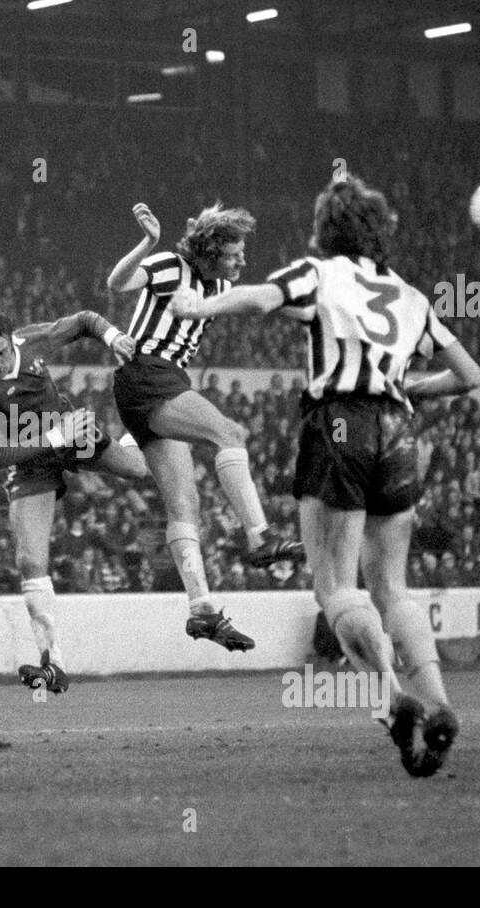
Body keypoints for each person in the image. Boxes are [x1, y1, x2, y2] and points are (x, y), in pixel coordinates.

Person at [170, 174, 480, 777]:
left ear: (325, 231)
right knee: (393, 587)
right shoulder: (411, 296)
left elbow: (260, 297)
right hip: (400, 428)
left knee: (336, 586)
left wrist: (201, 303)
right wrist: (413, 386)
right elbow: (469, 376)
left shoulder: (319, 273)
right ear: (379, 231)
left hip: (339, 422)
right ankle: (440, 701)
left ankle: (393, 696)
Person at [106, 202, 303, 653]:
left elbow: (258, 301)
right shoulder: (168, 265)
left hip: (157, 382)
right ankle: (261, 537)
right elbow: (116, 284)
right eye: (233, 254)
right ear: (211, 252)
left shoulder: (220, 283)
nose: (241, 261)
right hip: (149, 374)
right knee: (230, 434)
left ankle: (203, 611)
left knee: (184, 506)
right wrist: (147, 243)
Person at [0, 297, 147, 695]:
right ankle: (53, 661)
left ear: (12, 339)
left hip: (69, 429)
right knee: (28, 559)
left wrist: (114, 337)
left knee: (136, 469)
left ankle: (141, 419)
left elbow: (84, 320)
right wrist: (53, 438)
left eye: (0, 353)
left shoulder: (33, 341)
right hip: (30, 463)